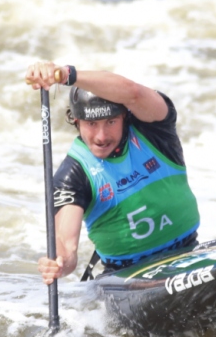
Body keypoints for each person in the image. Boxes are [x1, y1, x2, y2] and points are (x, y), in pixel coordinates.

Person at [25, 61, 201, 285]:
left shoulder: (156, 130)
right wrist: (58, 263)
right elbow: (66, 248)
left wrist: (65, 75)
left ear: (124, 117)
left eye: (110, 122)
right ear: (76, 121)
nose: (101, 136)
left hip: (188, 252)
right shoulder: (72, 176)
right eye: (91, 123)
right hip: (127, 276)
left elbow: (134, 92)